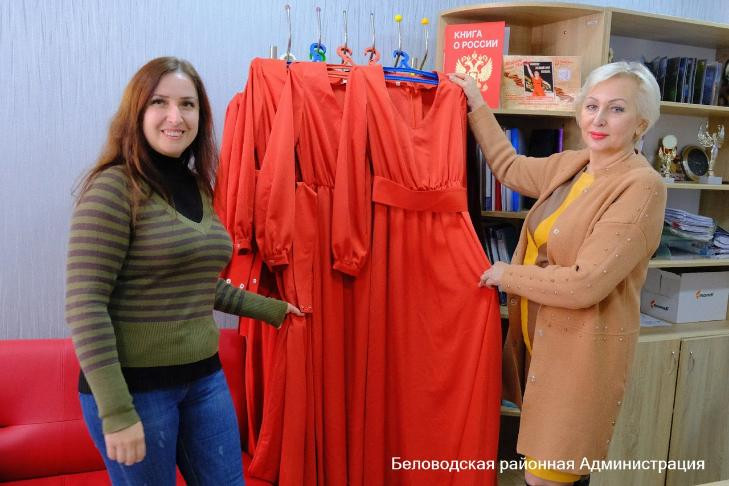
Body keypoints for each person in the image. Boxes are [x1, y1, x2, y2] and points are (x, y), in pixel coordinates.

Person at [65, 57, 302, 485]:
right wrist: (116, 412)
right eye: (160, 102)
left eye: (187, 105)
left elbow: (194, 283)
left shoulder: (198, 187)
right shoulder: (114, 188)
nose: (175, 117)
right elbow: (86, 305)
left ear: (200, 116)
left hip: (204, 378)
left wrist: (272, 309)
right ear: (137, 112)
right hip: (137, 390)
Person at [449, 61, 666, 486]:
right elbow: (509, 167)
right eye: (592, 105)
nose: (598, 120)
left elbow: (585, 283)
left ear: (641, 124)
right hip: (540, 348)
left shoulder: (642, 187)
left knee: (546, 478)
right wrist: (476, 103)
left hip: (579, 361)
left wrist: (506, 275)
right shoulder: (575, 164)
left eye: (617, 109)